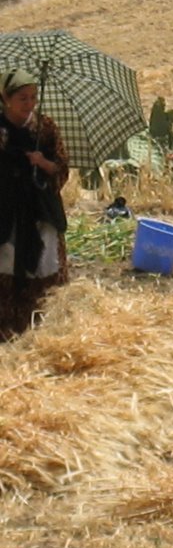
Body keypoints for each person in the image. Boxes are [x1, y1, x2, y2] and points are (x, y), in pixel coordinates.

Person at [0, 68, 70, 342]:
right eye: (22, 98)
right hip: (5, 208)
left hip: (39, 208)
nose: (29, 104)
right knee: (6, 259)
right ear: (6, 99)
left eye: (33, 97)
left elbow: (61, 169)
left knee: (43, 261)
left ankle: (39, 327)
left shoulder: (45, 128)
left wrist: (43, 163)